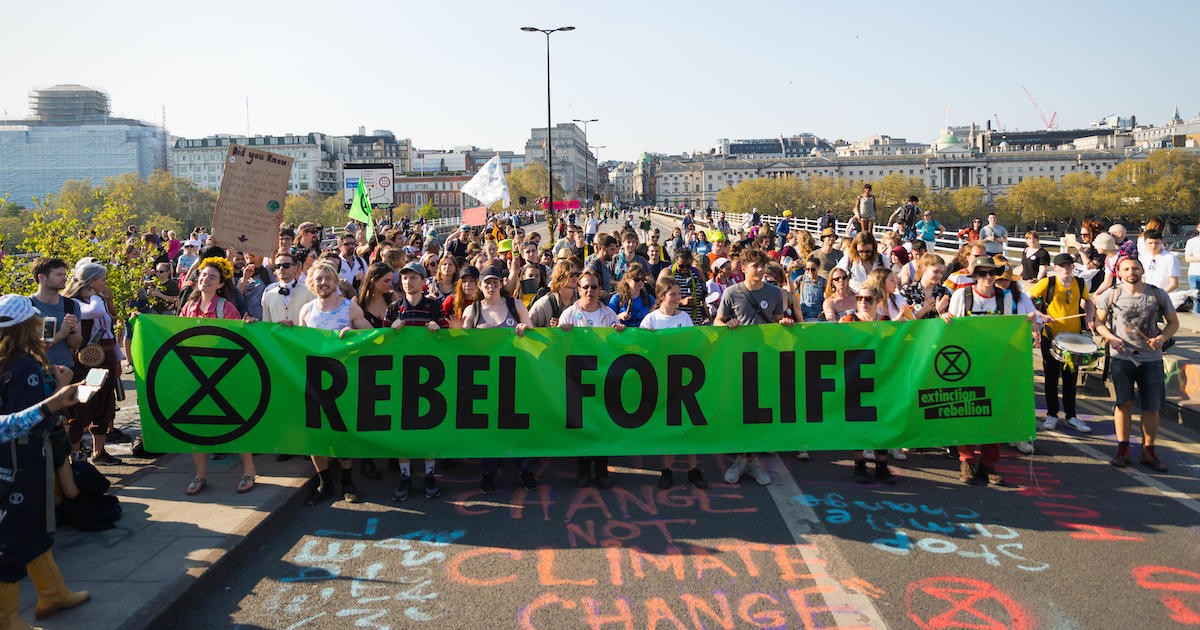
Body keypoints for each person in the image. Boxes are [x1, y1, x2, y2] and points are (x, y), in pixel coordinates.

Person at [0, 296, 91, 627]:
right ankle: (6, 618)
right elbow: (25, 418)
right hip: (20, 460)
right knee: (15, 537)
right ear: (26, 326)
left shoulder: (10, 360)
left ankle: (52, 591)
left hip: (13, 458)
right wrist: (60, 392)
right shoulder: (25, 368)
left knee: (34, 526)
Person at [176, 257, 259, 495]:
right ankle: (200, 475)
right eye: (203, 275)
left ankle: (249, 471)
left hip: (224, 374)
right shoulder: (188, 307)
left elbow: (239, 340)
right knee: (196, 424)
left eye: (212, 277)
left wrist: (248, 325)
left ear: (221, 284)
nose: (205, 279)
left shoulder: (226, 308)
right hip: (195, 374)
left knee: (235, 421)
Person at [716, 248, 794, 486]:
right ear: (743, 268)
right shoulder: (731, 293)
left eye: (762, 266)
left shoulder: (775, 292)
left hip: (766, 360)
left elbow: (779, 318)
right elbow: (717, 321)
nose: (760, 270)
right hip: (739, 361)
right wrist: (725, 323)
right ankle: (741, 459)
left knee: (761, 411)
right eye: (754, 266)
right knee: (741, 410)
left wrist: (785, 322)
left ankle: (754, 460)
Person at [297, 261, 372, 504]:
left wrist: (354, 336)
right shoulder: (306, 311)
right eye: (318, 279)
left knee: (342, 433)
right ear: (311, 283)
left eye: (327, 278)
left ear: (336, 281)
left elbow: (373, 337)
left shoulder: (349, 308)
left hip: (344, 382)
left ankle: (348, 481)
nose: (323, 282)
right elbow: (297, 346)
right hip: (314, 382)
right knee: (315, 434)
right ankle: (324, 482)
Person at [1095, 257, 1178, 472]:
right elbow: (1099, 323)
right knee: (1124, 404)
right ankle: (1122, 449)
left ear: (1142, 270)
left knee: (1152, 407)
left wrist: (1162, 338)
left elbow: (1173, 323)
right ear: (1119, 273)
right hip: (1122, 358)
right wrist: (1111, 338)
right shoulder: (1111, 294)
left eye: (1135, 268)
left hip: (1151, 359)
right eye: (1126, 269)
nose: (1131, 271)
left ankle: (1148, 451)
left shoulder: (1157, 294)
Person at [942, 257, 1015, 486]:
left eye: (991, 273)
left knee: (994, 414)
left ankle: (989, 464)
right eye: (982, 274)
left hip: (994, 362)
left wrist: (1031, 322)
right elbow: (952, 330)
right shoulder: (962, 296)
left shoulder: (1005, 297)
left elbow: (1011, 326)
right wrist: (945, 320)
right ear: (974, 276)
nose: (987, 278)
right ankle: (967, 460)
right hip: (967, 363)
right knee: (966, 411)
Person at [560, 269, 625, 489]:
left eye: (594, 287)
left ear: (600, 290)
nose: (590, 290)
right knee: (582, 425)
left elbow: (617, 347)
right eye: (585, 286)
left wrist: (620, 333)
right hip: (578, 379)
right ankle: (583, 469)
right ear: (578, 289)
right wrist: (562, 334)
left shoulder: (609, 315)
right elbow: (559, 348)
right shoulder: (568, 315)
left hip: (604, 377)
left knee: (602, 423)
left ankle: (602, 469)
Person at [640, 276, 708, 489]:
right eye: (674, 294)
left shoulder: (685, 319)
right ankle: (667, 470)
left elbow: (691, 345)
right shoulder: (651, 320)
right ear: (661, 296)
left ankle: (692, 470)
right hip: (660, 380)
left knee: (688, 426)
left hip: (684, 381)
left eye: (679, 294)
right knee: (667, 426)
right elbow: (639, 348)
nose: (679, 298)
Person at [61, 262, 122, 466]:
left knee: (105, 403)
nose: (105, 282)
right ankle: (75, 455)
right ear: (91, 281)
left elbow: (109, 330)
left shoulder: (97, 300)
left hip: (105, 358)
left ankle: (99, 451)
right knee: (83, 406)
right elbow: (92, 312)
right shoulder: (76, 303)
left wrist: (117, 358)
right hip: (86, 362)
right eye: (101, 279)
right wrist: (96, 295)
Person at [1029, 254, 1095, 436]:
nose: (1066, 268)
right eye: (1062, 266)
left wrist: (1089, 317)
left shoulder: (1080, 283)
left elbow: (1088, 302)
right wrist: (1040, 316)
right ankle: (1052, 414)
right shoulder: (1047, 283)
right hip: (1051, 336)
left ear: (1072, 267)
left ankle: (1072, 416)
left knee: (1070, 379)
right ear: (1055, 267)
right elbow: (1028, 300)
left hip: (1073, 338)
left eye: (1068, 265)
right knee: (1051, 377)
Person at [899, 254, 952, 320]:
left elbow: (953, 318)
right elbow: (902, 320)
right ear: (924, 268)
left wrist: (941, 313)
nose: (939, 276)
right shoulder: (908, 290)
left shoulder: (944, 292)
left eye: (941, 273)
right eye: (936, 272)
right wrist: (923, 310)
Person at [608, 262, 654, 329]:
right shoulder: (617, 298)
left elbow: (656, 319)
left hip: (642, 337)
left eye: (643, 279)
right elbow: (607, 320)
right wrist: (619, 317)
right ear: (627, 280)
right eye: (636, 279)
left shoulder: (649, 299)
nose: (640, 282)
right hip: (622, 337)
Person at [1140, 229, 1179, 293]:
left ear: (1161, 242)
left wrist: (1160, 295)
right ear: (1145, 242)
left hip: (1165, 296)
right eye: (1150, 243)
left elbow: (1174, 284)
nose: (1153, 246)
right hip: (1148, 295)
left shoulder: (1170, 258)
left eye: (1156, 243)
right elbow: (1143, 278)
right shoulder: (1143, 258)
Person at [1186, 229, 1200, 314]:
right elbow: (1187, 258)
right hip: (1194, 273)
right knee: (1196, 300)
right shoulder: (1191, 241)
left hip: (1193, 274)